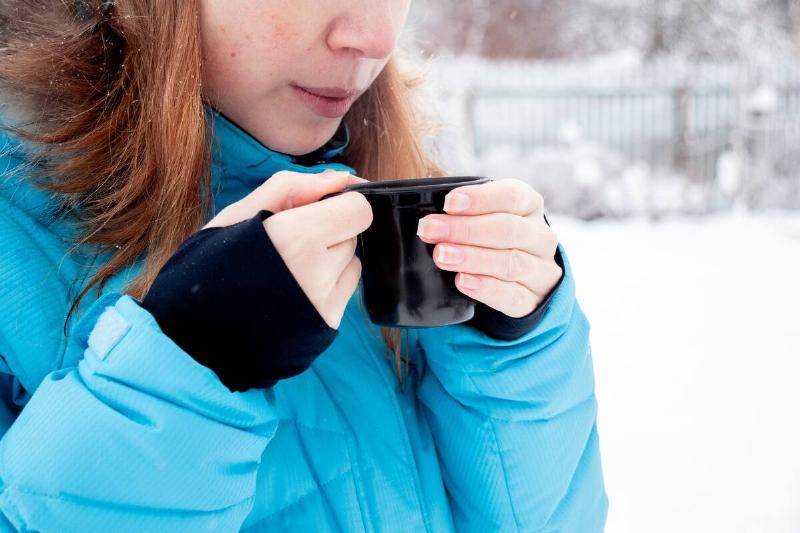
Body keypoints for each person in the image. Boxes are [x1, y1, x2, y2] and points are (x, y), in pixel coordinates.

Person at [0, 0, 608, 531]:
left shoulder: (388, 172)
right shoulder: (15, 231)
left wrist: (516, 349)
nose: (374, 39)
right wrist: (185, 368)